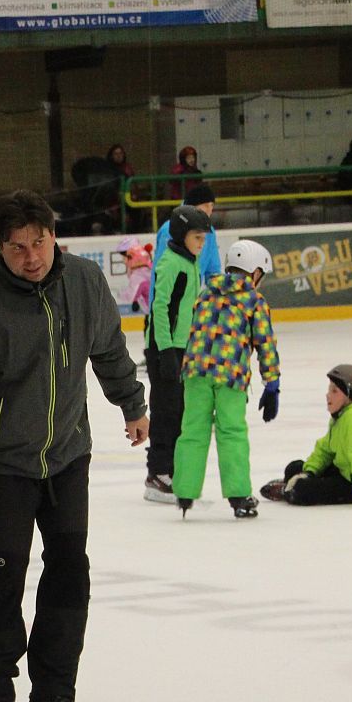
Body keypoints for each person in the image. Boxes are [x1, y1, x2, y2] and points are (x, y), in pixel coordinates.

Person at [0, 189, 149, 702]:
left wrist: (132, 403)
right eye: (17, 247)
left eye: (40, 242)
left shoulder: (84, 282)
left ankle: (54, 693)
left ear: (54, 236)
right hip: (1, 465)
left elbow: (108, 349)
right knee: (5, 576)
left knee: (70, 572)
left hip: (68, 454)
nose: (31, 256)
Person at [172, 238, 280, 520]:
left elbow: (194, 329)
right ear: (255, 271)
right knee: (231, 432)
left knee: (192, 431)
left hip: (195, 371)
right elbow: (265, 343)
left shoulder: (206, 293)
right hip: (230, 375)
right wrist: (272, 382)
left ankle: (184, 491)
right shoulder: (254, 300)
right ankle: (239, 495)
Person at [143, 205, 212, 504]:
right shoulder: (171, 264)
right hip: (164, 348)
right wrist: (166, 350)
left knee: (180, 410)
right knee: (165, 410)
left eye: (204, 238)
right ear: (182, 234)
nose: (202, 243)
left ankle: (170, 468)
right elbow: (160, 308)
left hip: (182, 346)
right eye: (197, 237)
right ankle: (157, 473)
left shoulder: (189, 262)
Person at [260, 365, 352, 506]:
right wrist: (309, 472)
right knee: (294, 467)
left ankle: (291, 490)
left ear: (351, 396)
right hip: (345, 470)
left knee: (303, 490)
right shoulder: (342, 416)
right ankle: (292, 485)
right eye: (329, 390)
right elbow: (325, 449)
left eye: (334, 391)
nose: (328, 395)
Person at [151, 183, 219, 271]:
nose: (210, 210)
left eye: (212, 205)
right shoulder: (169, 228)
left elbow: (213, 270)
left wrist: (223, 279)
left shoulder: (209, 231)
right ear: (193, 206)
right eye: (206, 205)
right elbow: (160, 269)